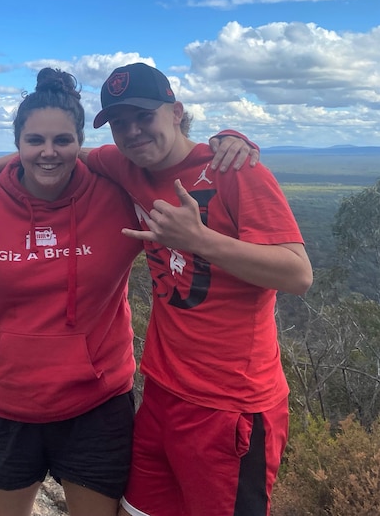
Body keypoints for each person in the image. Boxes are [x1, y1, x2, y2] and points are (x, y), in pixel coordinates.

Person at [0, 67, 255, 516]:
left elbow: (170, 165)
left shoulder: (116, 195)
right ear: (18, 144)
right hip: (4, 405)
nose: (49, 153)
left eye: (63, 141)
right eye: (34, 141)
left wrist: (227, 142)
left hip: (96, 406)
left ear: (82, 145)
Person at [83, 62, 313, 516]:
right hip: (161, 394)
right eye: (119, 123)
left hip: (230, 407)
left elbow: (297, 273)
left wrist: (200, 240)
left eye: (143, 117)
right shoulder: (128, 166)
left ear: (176, 112)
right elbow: (59, 154)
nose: (131, 132)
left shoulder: (235, 170)